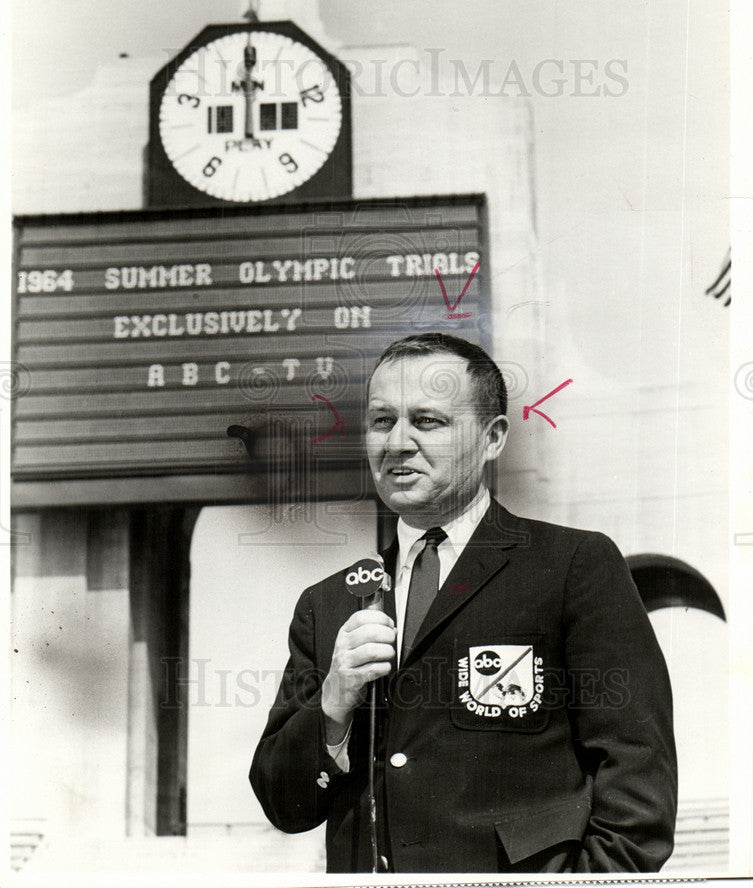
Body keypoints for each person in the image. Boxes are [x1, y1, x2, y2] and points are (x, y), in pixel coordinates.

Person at [250, 333, 677, 873]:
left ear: (493, 437)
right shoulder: (328, 602)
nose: (397, 443)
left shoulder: (573, 566)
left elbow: (637, 777)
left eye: (427, 422)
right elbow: (283, 804)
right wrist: (333, 702)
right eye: (382, 421)